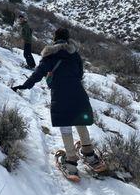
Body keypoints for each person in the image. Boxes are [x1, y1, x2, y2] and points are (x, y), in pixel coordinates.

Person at [12, 27, 100, 177]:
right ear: (68, 39)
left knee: (66, 126)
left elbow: (37, 74)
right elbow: (79, 74)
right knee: (80, 121)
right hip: (78, 93)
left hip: (61, 95)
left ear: (54, 39)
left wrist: (24, 86)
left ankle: (71, 162)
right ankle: (89, 154)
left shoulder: (49, 56)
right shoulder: (75, 54)